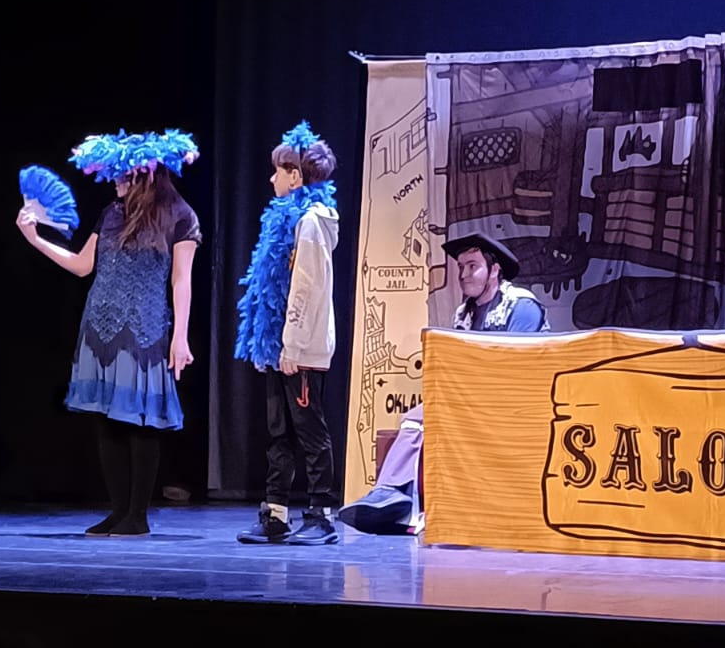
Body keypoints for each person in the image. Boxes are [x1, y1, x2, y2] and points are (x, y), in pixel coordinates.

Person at [18, 129, 200, 538]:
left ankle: (138, 515)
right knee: (107, 420)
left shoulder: (180, 215)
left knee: (140, 421)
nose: (114, 182)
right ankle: (118, 512)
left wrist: (181, 336)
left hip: (144, 328)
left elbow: (181, 279)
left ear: (141, 175)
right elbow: (83, 265)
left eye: (120, 175)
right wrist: (35, 239)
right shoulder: (112, 212)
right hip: (100, 325)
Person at [338, 231, 548, 535]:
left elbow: (516, 366)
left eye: (472, 266)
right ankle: (392, 496)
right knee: (415, 417)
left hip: (518, 403)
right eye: (461, 267)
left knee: (424, 416)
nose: (464, 274)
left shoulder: (521, 305)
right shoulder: (464, 314)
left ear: (494, 270)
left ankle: (394, 495)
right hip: (474, 399)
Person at [233, 121, 342, 546]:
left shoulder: (311, 222)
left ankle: (320, 514)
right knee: (279, 431)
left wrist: (292, 345)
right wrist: (271, 344)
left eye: (277, 171)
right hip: (282, 347)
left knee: (309, 431)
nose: (271, 179)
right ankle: (276, 512)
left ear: (295, 177)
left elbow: (305, 287)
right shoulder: (288, 220)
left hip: (302, 347)